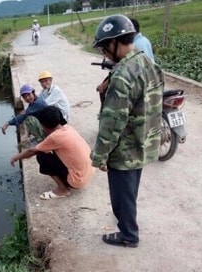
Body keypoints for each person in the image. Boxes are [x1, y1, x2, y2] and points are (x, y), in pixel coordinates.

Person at [90, 14, 164, 248]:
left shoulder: (122, 75)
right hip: (143, 142)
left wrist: (99, 156)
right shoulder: (147, 62)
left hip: (125, 149)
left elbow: (112, 123)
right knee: (129, 191)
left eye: (104, 47)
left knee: (122, 195)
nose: (104, 53)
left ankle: (128, 235)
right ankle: (127, 221)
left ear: (116, 42)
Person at [10, 106, 95, 199]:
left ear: (44, 125)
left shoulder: (55, 137)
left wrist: (16, 157)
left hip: (77, 180)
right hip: (88, 173)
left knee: (41, 155)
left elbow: (32, 151)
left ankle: (63, 190)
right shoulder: (68, 128)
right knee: (50, 150)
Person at [95, 18, 155, 98]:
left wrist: (104, 85)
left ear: (113, 43)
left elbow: (119, 68)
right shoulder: (144, 42)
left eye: (104, 49)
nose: (106, 55)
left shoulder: (121, 78)